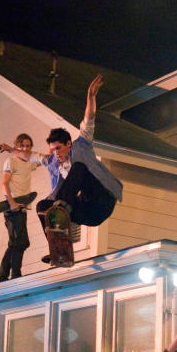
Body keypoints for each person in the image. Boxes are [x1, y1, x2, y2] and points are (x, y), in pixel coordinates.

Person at [36, 74, 124, 260]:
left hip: (102, 201)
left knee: (79, 168)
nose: (56, 153)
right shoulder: (57, 167)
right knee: (43, 205)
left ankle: (62, 206)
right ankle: (58, 251)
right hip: (88, 214)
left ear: (68, 143)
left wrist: (91, 98)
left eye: (58, 148)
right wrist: (13, 150)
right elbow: (32, 157)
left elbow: (88, 121)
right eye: (53, 150)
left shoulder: (81, 145)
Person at [0, 133, 46, 282]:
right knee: (19, 242)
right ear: (17, 146)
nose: (25, 148)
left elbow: (42, 160)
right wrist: (11, 203)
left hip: (22, 208)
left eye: (28, 146)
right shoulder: (11, 161)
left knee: (18, 242)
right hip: (13, 207)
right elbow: (4, 184)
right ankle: (13, 274)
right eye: (22, 145)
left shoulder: (28, 163)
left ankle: (4, 276)